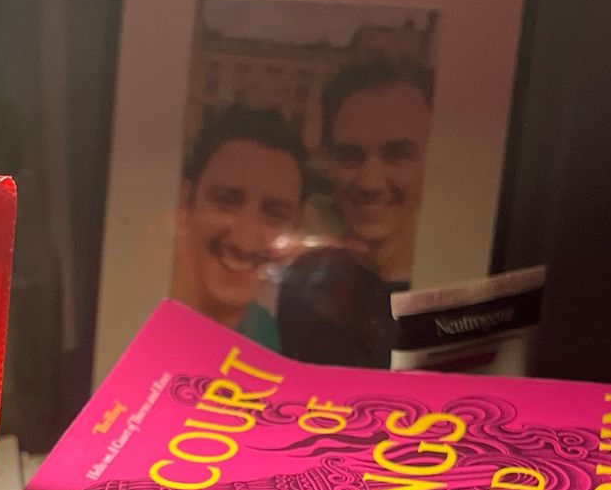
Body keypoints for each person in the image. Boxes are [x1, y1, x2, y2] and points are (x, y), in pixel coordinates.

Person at [169, 102, 306, 346]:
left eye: (275, 214)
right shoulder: (133, 316)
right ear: (185, 203)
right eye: (226, 201)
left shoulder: (263, 329)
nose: (245, 241)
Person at [320, 54, 434, 286]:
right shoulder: (304, 289)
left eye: (397, 155)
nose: (369, 183)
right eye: (350, 156)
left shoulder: (460, 284)